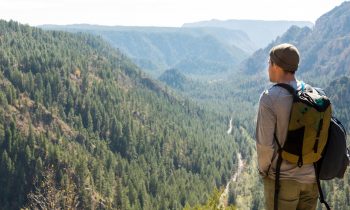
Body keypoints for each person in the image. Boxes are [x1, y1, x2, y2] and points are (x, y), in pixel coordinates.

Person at [255, 43, 319, 210]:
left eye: (269, 63)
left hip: (282, 182)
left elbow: (264, 147)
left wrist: (264, 172)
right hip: (312, 181)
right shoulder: (312, 93)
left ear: (276, 65)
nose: (268, 67)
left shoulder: (269, 98)